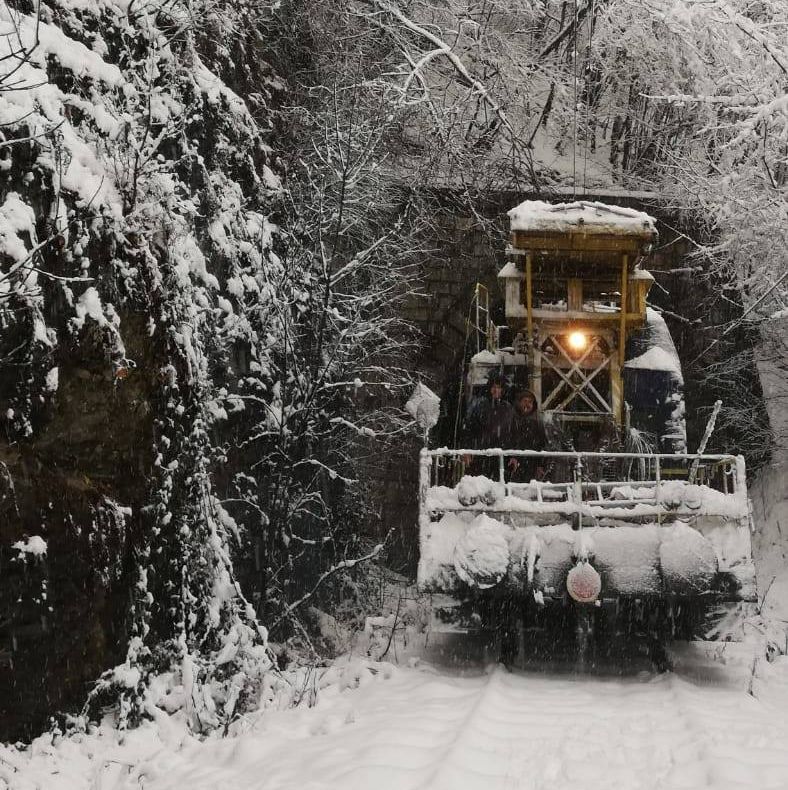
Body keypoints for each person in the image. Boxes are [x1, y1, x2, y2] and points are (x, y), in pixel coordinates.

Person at [462, 371, 513, 477]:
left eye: (498, 387)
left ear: (503, 390)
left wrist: (514, 455)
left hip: (501, 454)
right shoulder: (480, 405)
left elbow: (513, 432)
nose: (495, 390)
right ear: (489, 388)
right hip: (481, 452)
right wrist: (467, 449)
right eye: (493, 387)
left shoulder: (508, 408)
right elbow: (470, 429)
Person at [507, 387, 547, 482]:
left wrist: (541, 465)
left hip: (532, 463)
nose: (527, 404)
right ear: (519, 402)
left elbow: (542, 444)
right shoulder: (511, 419)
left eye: (530, 402)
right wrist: (512, 456)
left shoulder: (537, 422)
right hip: (514, 463)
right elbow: (508, 440)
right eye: (525, 401)